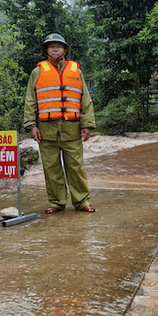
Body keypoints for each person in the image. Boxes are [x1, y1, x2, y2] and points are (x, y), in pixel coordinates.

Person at [23, 33, 96, 214]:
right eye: (51, 46)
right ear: (46, 50)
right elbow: (30, 100)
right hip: (46, 130)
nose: (55, 49)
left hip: (71, 129)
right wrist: (31, 125)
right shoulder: (37, 72)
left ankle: (82, 201)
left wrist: (86, 125)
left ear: (65, 50)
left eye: (59, 46)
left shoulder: (76, 71)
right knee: (51, 168)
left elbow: (85, 100)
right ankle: (57, 202)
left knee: (76, 167)